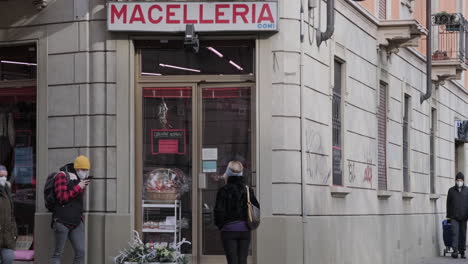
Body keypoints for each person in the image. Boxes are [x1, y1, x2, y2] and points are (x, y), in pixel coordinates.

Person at [214, 161, 260, 264]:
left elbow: (218, 211)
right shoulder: (248, 189)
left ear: (228, 172)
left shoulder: (223, 190)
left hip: (228, 230)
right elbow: (256, 207)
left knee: (232, 260)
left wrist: (220, 226)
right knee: (243, 260)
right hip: (245, 230)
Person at [50, 156, 91, 264]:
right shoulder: (61, 176)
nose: (85, 172)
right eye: (83, 169)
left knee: (81, 252)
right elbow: (61, 197)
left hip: (76, 221)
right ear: (77, 169)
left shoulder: (80, 179)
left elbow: (77, 201)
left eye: (86, 170)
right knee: (58, 254)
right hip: (62, 221)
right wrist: (79, 186)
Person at [447, 172, 468, 259]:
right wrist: (448, 217)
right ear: (455, 181)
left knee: (463, 234)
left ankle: (462, 251)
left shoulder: (467, 190)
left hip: (464, 216)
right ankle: (455, 251)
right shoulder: (451, 190)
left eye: (461, 180)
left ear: (463, 181)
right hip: (454, 217)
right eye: (458, 180)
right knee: (455, 234)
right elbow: (448, 204)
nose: (459, 182)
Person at [0, 165, 16, 264]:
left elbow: (11, 215)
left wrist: (14, 233)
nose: (3, 178)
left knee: (9, 259)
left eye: (5, 176)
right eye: (1, 176)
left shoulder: (7, 191)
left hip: (7, 238)